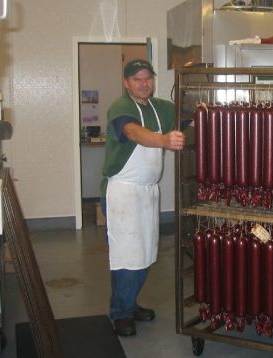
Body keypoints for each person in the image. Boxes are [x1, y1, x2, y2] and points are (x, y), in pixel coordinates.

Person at [101, 59, 186, 336]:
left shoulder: (162, 107)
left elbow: (191, 114)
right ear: (126, 83)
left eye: (147, 78)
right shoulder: (121, 107)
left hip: (149, 191)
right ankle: (120, 313)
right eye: (137, 79)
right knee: (126, 255)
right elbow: (132, 132)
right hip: (123, 191)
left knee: (146, 252)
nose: (143, 83)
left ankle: (130, 303)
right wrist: (163, 141)